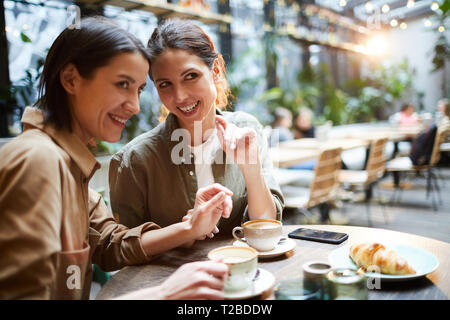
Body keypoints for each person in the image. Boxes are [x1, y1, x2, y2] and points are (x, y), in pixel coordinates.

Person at [0, 17, 230, 300]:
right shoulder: (38, 160)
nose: (134, 106)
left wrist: (190, 228)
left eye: (139, 90)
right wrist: (165, 293)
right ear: (71, 79)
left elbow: (111, 244)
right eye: (122, 84)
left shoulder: (69, 163)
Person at [109, 19, 284, 242]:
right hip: (171, 277)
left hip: (245, 271)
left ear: (216, 70)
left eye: (190, 76)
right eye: (165, 84)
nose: (180, 96)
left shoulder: (246, 129)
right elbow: (124, 249)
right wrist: (184, 232)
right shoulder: (135, 160)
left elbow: (266, 226)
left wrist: (251, 171)